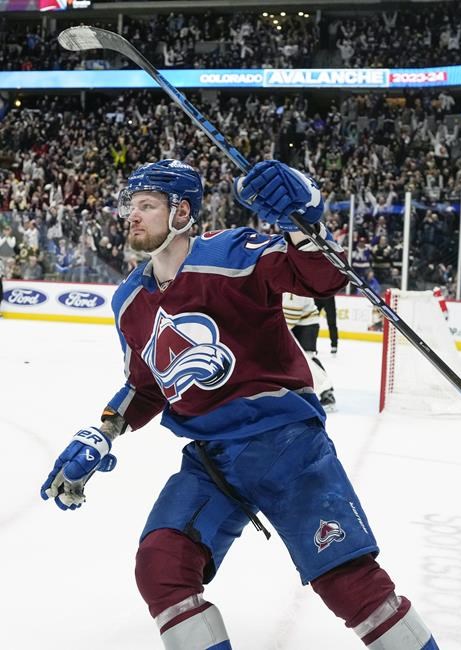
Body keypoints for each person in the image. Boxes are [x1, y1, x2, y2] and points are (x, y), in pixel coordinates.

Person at [41, 159, 439, 650]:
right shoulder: (128, 301)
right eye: (130, 206)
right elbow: (145, 385)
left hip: (285, 447)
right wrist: (103, 431)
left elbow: (321, 278)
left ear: (182, 211)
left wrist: (304, 215)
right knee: (162, 566)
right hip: (210, 460)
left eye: (146, 205)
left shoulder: (231, 253)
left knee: (350, 584)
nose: (133, 216)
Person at [282, 292, 336, 410]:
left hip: (306, 324)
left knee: (308, 358)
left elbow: (290, 318)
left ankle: (326, 392)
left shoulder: (293, 290)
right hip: (292, 322)